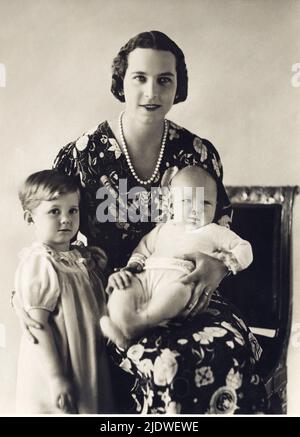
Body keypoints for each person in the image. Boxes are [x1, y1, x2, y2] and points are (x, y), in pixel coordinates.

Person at [14, 31, 267, 414]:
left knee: (219, 349)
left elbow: (222, 228)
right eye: (140, 78)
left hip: (189, 294)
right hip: (111, 299)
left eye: (165, 79)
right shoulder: (83, 156)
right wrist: (30, 293)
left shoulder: (197, 153)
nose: (152, 91)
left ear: (178, 86)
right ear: (121, 82)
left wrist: (216, 266)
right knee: (162, 361)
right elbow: (51, 232)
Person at [100, 166, 253, 349]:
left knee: (180, 293)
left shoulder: (214, 231)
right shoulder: (163, 229)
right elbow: (143, 249)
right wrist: (132, 267)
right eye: (187, 201)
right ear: (172, 204)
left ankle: (140, 323)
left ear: (215, 206)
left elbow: (244, 248)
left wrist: (230, 261)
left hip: (181, 278)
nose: (195, 209)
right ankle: (120, 327)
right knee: (123, 289)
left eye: (205, 203)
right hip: (146, 276)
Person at [14, 170, 114, 414]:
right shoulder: (41, 262)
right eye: (54, 211)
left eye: (72, 210)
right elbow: (38, 326)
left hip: (86, 355)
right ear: (30, 218)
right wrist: (56, 376)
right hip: (58, 360)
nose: (66, 219)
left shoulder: (81, 258)